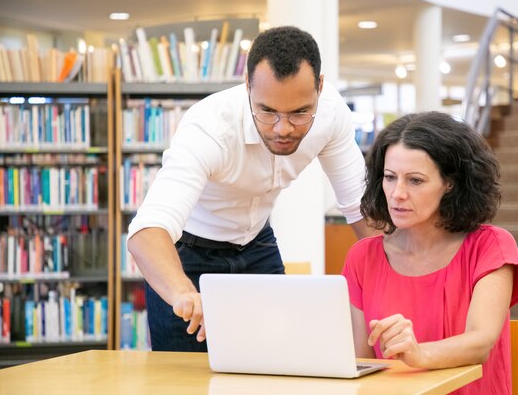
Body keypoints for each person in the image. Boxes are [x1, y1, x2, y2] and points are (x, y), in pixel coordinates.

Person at [127, 26, 373, 352]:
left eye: (300, 112)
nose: (283, 129)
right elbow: (146, 233)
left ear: (320, 87)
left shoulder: (331, 114)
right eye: (268, 111)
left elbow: (362, 212)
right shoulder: (209, 128)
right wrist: (184, 293)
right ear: (247, 87)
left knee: (278, 363)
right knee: (181, 380)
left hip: (257, 244)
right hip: (187, 256)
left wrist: (402, 276)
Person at [341, 112, 518, 394]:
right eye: (390, 177)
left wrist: (419, 354)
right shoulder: (362, 257)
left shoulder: (490, 246)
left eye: (415, 181)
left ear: (450, 184)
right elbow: (360, 362)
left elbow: (481, 342)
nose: (397, 193)